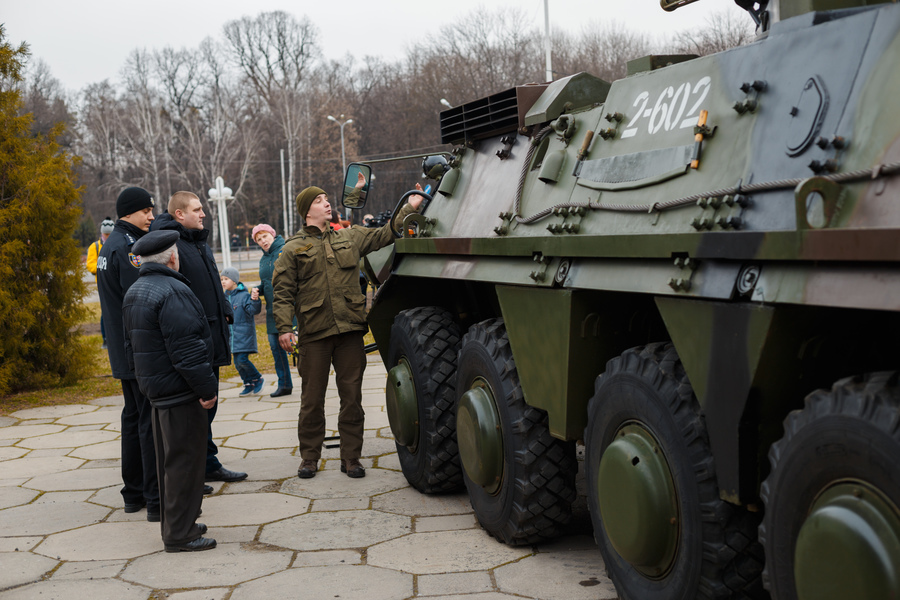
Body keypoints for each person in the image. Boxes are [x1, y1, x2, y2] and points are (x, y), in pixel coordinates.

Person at [273, 180, 422, 479]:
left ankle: (351, 457)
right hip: (314, 335)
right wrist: (284, 328)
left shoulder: (349, 238)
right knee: (311, 401)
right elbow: (283, 292)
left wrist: (411, 206)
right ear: (307, 211)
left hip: (350, 331)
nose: (327, 203)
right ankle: (310, 458)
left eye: (327, 199)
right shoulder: (292, 249)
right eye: (320, 200)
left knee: (352, 399)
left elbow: (385, 233)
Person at [122, 229, 218, 553]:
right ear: (173, 257)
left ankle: (178, 522)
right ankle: (180, 534)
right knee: (185, 464)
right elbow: (188, 351)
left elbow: (129, 346)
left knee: (170, 463)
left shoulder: (137, 289)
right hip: (179, 392)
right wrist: (207, 388)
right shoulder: (173, 291)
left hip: (158, 391)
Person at [154, 191, 247, 484]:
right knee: (196, 411)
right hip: (193, 340)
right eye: (197, 209)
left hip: (212, 335)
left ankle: (208, 463)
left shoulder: (198, 242)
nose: (203, 213)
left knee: (209, 407)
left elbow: (211, 283)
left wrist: (224, 308)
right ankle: (192, 473)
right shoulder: (171, 244)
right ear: (179, 214)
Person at [96, 187, 160, 521]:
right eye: (147, 211)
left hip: (124, 351)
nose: (151, 216)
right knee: (147, 422)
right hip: (137, 349)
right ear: (130, 212)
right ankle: (153, 496)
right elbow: (143, 297)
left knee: (132, 418)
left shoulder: (110, 246)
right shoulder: (130, 249)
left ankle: (133, 493)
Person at [252, 223, 293, 397]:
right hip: (271, 311)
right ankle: (284, 384)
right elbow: (268, 281)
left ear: (272, 235)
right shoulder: (264, 258)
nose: (262, 241)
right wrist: (258, 289)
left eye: (265, 237)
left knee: (298, 347)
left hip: (289, 308)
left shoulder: (284, 251)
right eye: (258, 239)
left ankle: (311, 383)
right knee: (276, 349)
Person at [220, 266, 264, 397]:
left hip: (244, 335)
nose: (223, 281)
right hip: (232, 337)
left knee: (242, 360)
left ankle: (258, 378)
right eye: (222, 279)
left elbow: (253, 310)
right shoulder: (224, 297)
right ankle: (248, 384)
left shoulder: (244, 295)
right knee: (238, 364)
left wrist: (255, 300)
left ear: (234, 281)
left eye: (226, 279)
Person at [86, 217, 115, 348]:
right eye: (106, 234)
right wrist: (103, 266)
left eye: (110, 234)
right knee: (106, 311)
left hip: (115, 282)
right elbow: (90, 265)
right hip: (103, 284)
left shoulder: (116, 243)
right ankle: (105, 339)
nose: (108, 237)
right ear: (102, 233)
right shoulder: (95, 246)